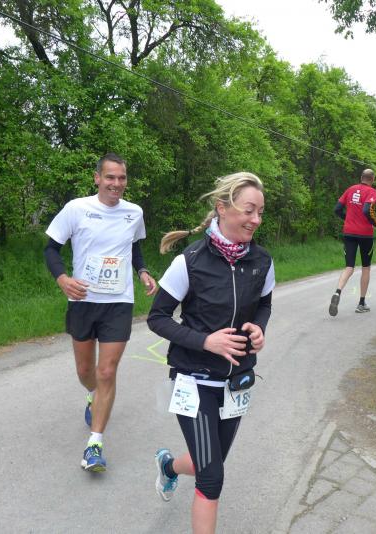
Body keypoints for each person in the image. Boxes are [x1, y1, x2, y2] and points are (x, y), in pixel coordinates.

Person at [147, 172, 274, 534]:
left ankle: (168, 466)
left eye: (260, 212)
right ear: (222, 207)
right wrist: (206, 342)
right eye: (248, 210)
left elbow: (264, 305)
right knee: (212, 477)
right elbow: (157, 318)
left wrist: (259, 328)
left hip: (236, 383)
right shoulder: (190, 261)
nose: (256, 219)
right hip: (194, 380)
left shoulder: (262, 261)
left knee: (211, 462)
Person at [44, 152, 158, 472]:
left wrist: (143, 271)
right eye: (110, 177)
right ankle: (92, 393)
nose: (116, 184)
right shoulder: (76, 209)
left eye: (121, 178)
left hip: (119, 302)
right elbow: (51, 249)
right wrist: (62, 279)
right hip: (83, 300)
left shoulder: (134, 212)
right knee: (86, 371)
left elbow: (134, 247)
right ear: (97, 178)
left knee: (107, 370)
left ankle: (94, 444)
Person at [329, 169, 376, 316]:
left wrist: (347, 219)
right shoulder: (372, 192)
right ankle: (361, 303)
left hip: (349, 233)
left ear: (361, 177)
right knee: (366, 267)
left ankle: (337, 292)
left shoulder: (350, 189)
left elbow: (337, 209)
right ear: (372, 179)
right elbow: (367, 210)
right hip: (365, 234)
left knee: (349, 266)